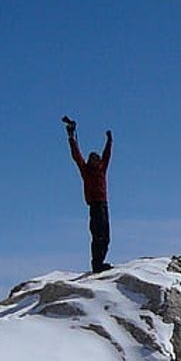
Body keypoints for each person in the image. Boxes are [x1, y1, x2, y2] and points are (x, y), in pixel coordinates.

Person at [63, 116, 113, 273]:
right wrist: (71, 137)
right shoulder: (86, 171)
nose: (96, 160)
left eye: (97, 159)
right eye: (93, 159)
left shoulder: (101, 170)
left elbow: (107, 155)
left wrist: (109, 141)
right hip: (95, 206)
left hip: (104, 205)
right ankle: (97, 264)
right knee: (98, 235)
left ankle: (100, 262)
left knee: (106, 237)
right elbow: (76, 156)